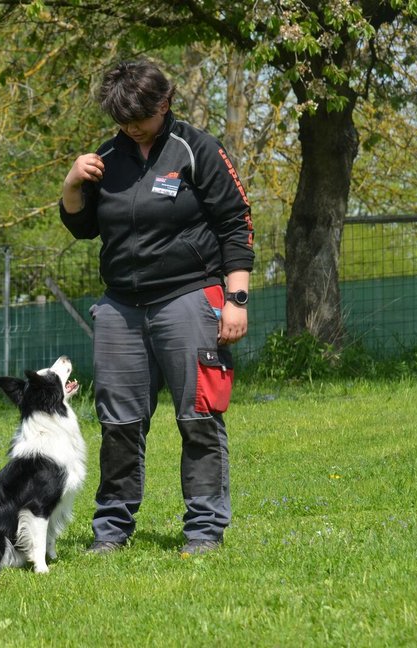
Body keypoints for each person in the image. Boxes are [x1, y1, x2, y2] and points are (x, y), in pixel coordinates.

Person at [59, 59, 255, 556]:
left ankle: (204, 529)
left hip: (190, 297)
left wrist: (236, 299)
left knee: (198, 417)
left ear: (164, 104)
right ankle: (111, 530)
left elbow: (236, 222)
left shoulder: (197, 148)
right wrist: (72, 185)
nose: (129, 128)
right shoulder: (106, 157)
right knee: (119, 424)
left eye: (139, 118)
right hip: (121, 308)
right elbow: (84, 228)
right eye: (121, 120)